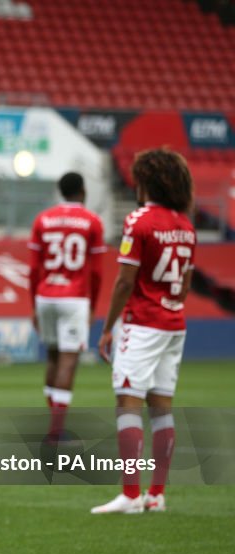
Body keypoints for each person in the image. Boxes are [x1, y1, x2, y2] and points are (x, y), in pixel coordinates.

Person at [93, 148, 196, 514]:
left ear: (145, 180)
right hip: (174, 322)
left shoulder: (139, 220)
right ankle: (157, 494)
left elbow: (124, 282)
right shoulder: (185, 226)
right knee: (162, 408)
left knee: (128, 401)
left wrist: (107, 328)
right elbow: (184, 285)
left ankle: (131, 496)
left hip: (142, 323)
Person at [28, 172, 106, 443]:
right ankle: (56, 432)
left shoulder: (43, 219)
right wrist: (93, 305)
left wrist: (33, 305)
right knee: (68, 361)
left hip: (45, 295)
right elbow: (96, 272)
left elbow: (33, 268)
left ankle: (54, 423)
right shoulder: (92, 222)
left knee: (52, 356)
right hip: (74, 298)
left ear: (60, 192)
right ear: (82, 191)